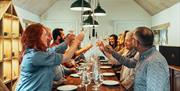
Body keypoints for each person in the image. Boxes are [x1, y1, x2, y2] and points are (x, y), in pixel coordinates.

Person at [16, 23, 84, 91]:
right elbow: (66, 57)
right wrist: (77, 40)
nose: (48, 38)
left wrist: (67, 41)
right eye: (45, 35)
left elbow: (55, 49)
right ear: (36, 37)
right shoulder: (35, 56)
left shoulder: (40, 52)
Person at [98, 26, 170, 91]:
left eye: (132, 39)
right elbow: (129, 63)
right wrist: (112, 52)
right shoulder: (142, 55)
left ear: (137, 42)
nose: (126, 42)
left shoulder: (155, 62)